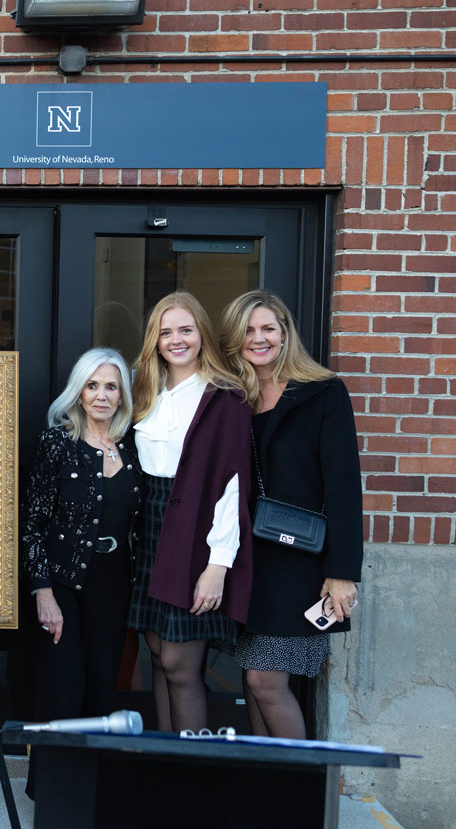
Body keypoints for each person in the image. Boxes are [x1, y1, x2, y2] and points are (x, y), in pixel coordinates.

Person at [220, 289, 363, 738]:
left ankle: (301, 793)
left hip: (300, 564)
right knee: (252, 680)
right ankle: (271, 788)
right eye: (248, 331)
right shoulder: (232, 396)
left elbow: (343, 487)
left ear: (284, 334)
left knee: (266, 681)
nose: (258, 339)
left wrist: (342, 572)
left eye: (268, 328)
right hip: (248, 562)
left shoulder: (323, 392)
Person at [127, 291, 253, 732]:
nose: (176, 340)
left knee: (181, 665)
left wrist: (218, 565)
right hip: (149, 530)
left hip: (196, 536)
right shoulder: (143, 389)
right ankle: (167, 763)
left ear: (202, 333)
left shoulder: (225, 397)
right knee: (159, 658)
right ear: (154, 340)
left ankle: (192, 775)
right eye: (166, 332)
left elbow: (234, 488)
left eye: (185, 329)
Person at [21, 348, 142, 724]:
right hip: (64, 582)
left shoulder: (135, 445)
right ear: (79, 391)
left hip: (116, 581)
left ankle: (91, 781)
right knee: (64, 684)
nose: (101, 395)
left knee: (103, 684)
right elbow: (32, 523)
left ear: (123, 394)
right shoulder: (57, 442)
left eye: (111, 386)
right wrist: (43, 591)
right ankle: (55, 783)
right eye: (92, 386)